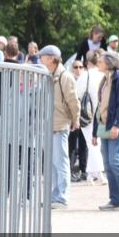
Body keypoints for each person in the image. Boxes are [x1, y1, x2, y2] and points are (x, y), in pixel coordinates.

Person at [92, 49, 119, 211]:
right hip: (104, 125)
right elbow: (100, 106)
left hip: (115, 125)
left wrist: (117, 125)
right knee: (108, 164)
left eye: (101, 61)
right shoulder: (105, 80)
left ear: (110, 63)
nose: (98, 62)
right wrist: (95, 131)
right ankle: (115, 199)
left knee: (115, 162)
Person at [38, 45, 80, 209]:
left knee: (61, 163)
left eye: (43, 56)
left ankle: (61, 197)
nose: (40, 58)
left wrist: (75, 120)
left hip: (60, 124)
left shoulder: (64, 76)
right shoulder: (50, 75)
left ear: (51, 58)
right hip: (50, 124)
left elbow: (73, 101)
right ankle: (55, 196)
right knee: (54, 163)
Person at [76, 49, 106, 184]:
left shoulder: (84, 76)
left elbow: (77, 95)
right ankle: (96, 174)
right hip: (101, 113)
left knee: (92, 144)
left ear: (87, 62)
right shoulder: (102, 75)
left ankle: (94, 173)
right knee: (95, 144)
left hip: (87, 114)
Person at [68, 57, 88, 182]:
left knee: (83, 145)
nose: (78, 69)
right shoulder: (70, 81)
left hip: (85, 117)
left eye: (81, 67)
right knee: (71, 145)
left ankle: (83, 170)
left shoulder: (86, 80)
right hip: (72, 117)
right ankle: (70, 170)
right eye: (76, 67)